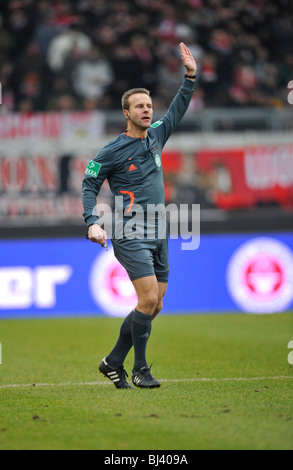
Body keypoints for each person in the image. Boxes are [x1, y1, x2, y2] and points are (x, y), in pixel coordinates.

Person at [82, 42, 197, 389]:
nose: (147, 111)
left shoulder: (156, 137)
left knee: (156, 304)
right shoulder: (113, 150)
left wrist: (190, 75)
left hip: (160, 230)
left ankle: (113, 361)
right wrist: (92, 221)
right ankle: (140, 368)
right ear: (126, 114)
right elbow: (90, 183)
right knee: (147, 298)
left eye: (149, 105)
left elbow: (178, 108)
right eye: (139, 107)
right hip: (130, 231)